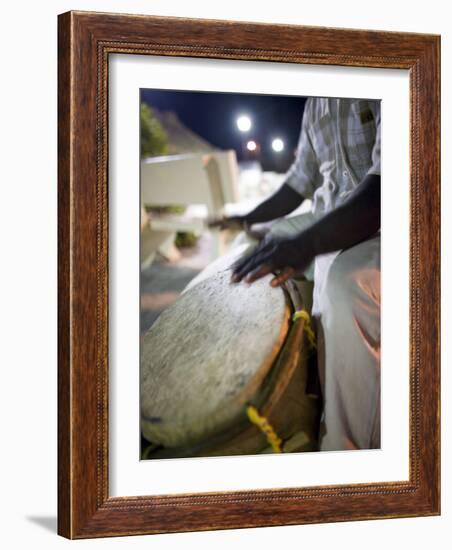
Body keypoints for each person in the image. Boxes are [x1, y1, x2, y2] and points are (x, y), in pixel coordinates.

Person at [211, 97, 381, 451]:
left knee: (347, 286)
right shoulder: (314, 104)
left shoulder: (390, 71)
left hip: (395, 220)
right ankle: (321, 398)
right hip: (332, 216)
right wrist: (248, 220)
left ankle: (349, 452)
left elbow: (386, 189)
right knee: (274, 240)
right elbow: (298, 184)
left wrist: (306, 244)